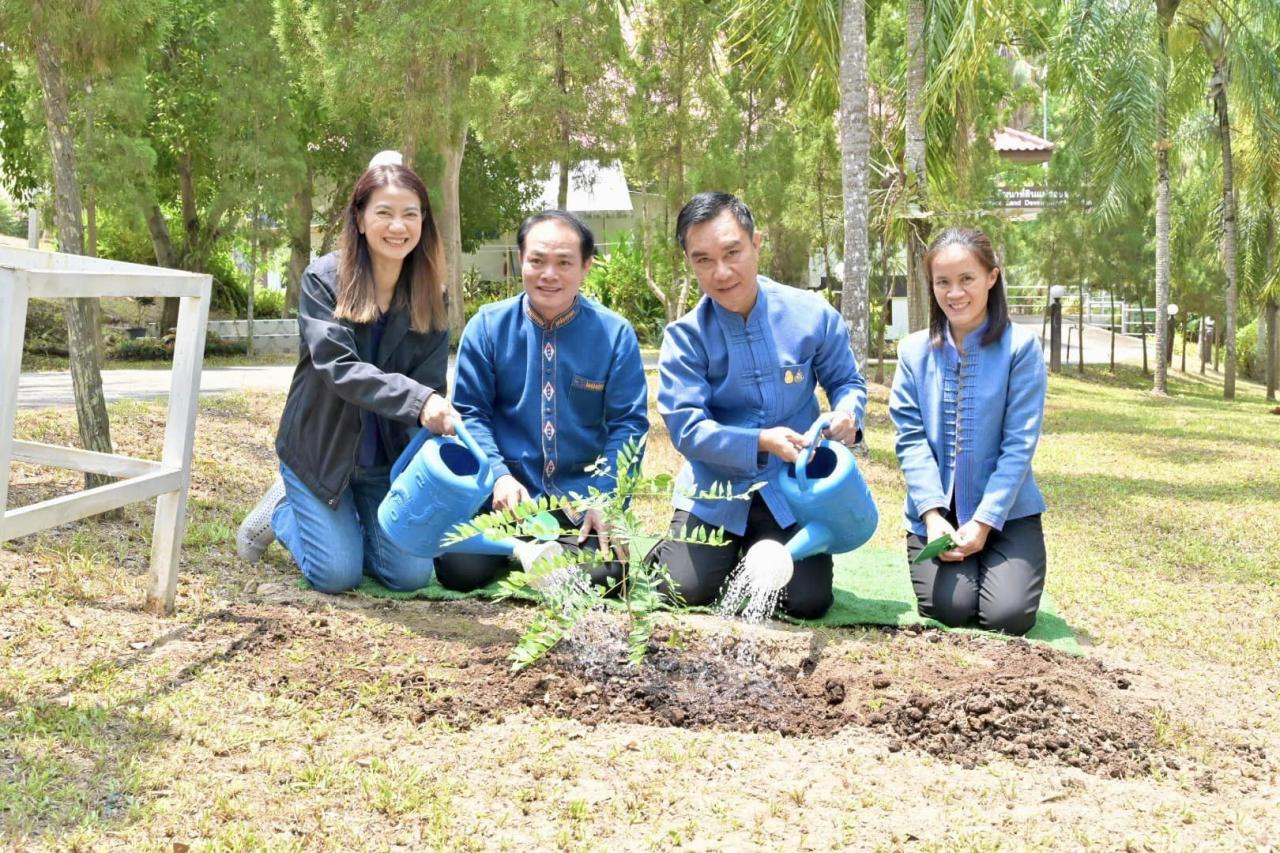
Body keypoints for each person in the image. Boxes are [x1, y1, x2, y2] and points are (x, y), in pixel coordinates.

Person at [235, 159, 459, 593]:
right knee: (337, 575)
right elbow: (340, 368)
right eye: (384, 213)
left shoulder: (433, 293)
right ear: (359, 217)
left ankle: (349, 525)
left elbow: (431, 382)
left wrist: (432, 420)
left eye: (410, 214)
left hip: (385, 463)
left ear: (424, 222)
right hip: (321, 452)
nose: (398, 226)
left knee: (409, 575)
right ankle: (282, 508)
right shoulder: (324, 279)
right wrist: (420, 402)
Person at [650, 191, 867, 619]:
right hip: (715, 494)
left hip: (792, 492)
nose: (722, 271)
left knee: (806, 601)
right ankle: (684, 550)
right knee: (681, 588)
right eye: (703, 260)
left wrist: (848, 413)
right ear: (690, 262)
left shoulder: (811, 314)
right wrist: (761, 441)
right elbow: (688, 430)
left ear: (757, 243)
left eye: (733, 252)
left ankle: (753, 553)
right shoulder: (685, 337)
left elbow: (847, 381)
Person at [436, 210, 649, 591]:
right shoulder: (486, 327)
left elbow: (628, 426)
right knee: (458, 568)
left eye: (564, 263)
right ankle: (525, 553)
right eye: (537, 261)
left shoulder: (615, 334)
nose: (548, 274)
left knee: (608, 573)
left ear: (586, 266)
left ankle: (535, 555)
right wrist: (498, 476)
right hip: (503, 501)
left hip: (580, 506)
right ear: (521, 260)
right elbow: (470, 414)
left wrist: (604, 497)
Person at [888, 227, 1048, 635]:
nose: (954, 293)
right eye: (943, 282)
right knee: (952, 609)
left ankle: (994, 555)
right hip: (937, 516)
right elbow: (910, 439)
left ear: (992, 278)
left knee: (1007, 617)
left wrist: (984, 522)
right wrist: (931, 514)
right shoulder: (912, 352)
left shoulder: (1021, 348)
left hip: (1008, 514)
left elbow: (1019, 445)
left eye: (966, 280)